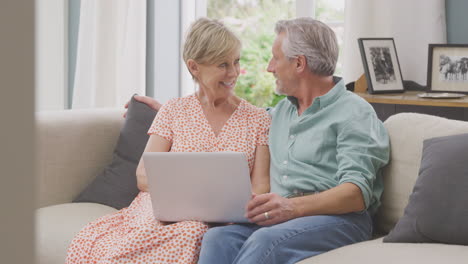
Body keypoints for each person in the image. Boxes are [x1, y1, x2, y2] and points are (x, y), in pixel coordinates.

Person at [133, 17, 390, 263]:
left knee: (266, 240)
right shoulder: (279, 114)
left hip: (339, 219)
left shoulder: (354, 112)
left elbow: (356, 194)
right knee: (217, 238)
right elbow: (229, 119)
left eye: (275, 58)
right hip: (280, 216)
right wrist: (169, 110)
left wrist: (292, 207)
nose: (269, 67)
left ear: (299, 64)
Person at [65, 18, 271, 264]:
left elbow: (260, 188)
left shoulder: (258, 119)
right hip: (161, 209)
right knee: (165, 234)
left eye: (236, 62)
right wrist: (189, 198)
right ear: (194, 67)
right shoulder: (173, 110)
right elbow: (143, 175)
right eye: (223, 65)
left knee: (193, 231)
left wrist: (216, 208)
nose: (234, 73)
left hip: (220, 221)